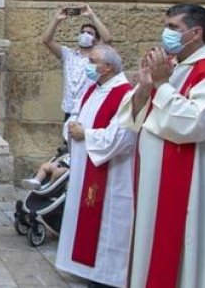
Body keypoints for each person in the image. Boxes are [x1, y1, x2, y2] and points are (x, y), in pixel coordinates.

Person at [117, 3, 205, 287]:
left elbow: (195, 124)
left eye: (173, 27)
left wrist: (161, 85)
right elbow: (133, 117)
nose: (166, 33)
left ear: (196, 33)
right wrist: (147, 85)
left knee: (189, 254)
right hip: (154, 179)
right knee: (151, 245)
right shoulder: (170, 68)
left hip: (193, 185)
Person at [54, 44, 135, 287]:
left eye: (93, 61)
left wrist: (86, 135)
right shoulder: (94, 88)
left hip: (109, 173)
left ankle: (104, 275)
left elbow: (123, 137)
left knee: (107, 224)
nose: (88, 66)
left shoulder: (125, 94)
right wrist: (71, 128)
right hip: (83, 166)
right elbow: (75, 116)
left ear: (108, 67)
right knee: (82, 216)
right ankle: (83, 267)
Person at [41, 4, 113, 122]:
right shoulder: (68, 55)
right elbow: (46, 40)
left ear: (96, 39)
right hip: (69, 110)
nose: (85, 35)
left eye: (89, 33)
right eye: (83, 32)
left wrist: (91, 15)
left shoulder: (98, 57)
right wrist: (56, 19)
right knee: (67, 140)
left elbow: (108, 39)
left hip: (88, 110)